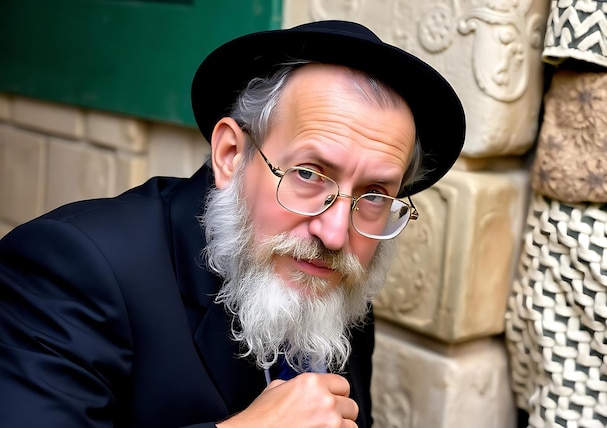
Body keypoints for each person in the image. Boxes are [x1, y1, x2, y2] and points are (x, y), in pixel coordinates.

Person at [0, 20, 465, 428]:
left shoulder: (331, 280)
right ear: (230, 155)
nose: (336, 233)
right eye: (308, 174)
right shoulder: (73, 267)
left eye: (374, 195)